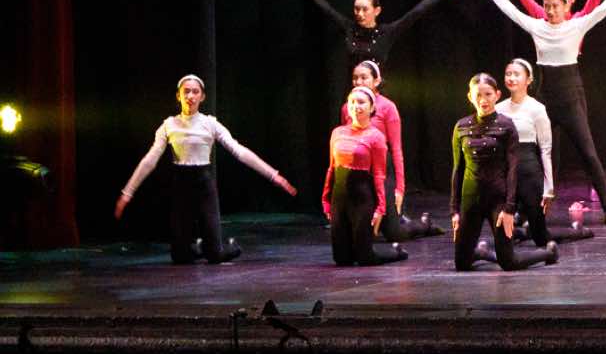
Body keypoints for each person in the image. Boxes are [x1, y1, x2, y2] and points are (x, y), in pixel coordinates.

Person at [462, 0, 606, 226]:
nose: (551, 10)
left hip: (571, 98)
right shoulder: (537, 26)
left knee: (588, 153)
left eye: (556, 6)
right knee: (537, 154)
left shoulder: (577, 25)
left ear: (566, 7)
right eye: (547, 6)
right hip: (545, 99)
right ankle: (531, 209)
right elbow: (507, 5)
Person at [116, 75, 297, 263]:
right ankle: (197, 246)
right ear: (178, 96)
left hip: (204, 185)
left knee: (215, 256)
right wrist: (127, 193)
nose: (190, 96)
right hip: (181, 185)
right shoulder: (169, 125)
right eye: (186, 91)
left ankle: (225, 246)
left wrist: (273, 175)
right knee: (180, 258)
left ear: (202, 97)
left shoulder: (210, 123)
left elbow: (239, 151)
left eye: (195, 92)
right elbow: (150, 160)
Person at [450, 73, 558, 272]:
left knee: (509, 262)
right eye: (478, 95)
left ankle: (548, 253)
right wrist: (455, 210)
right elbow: (458, 170)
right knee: (461, 264)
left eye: (488, 94)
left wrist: (509, 209)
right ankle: (481, 253)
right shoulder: (461, 127)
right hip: (470, 199)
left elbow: (512, 170)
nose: (483, 100)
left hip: (497, 200)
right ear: (470, 97)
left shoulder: (506, 126)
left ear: (497, 95)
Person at [280, 0, 464, 70]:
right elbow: (323, 5)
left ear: (377, 11)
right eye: (356, 9)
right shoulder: (349, 28)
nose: (359, 13)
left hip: (376, 98)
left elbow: (417, 11)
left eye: (364, 9)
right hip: (353, 94)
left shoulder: (387, 32)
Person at [341, 60, 440, 241]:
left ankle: (423, 224)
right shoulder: (347, 107)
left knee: (395, 234)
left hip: (382, 171)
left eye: (364, 77)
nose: (358, 82)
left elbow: (396, 150)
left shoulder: (387, 107)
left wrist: (399, 188)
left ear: (377, 81)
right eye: (355, 78)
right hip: (360, 173)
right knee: (363, 235)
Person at [323, 86, 407, 266]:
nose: (356, 106)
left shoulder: (376, 137)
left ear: (371, 108)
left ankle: (396, 252)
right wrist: (326, 199)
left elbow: (379, 175)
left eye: (361, 102)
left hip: (362, 199)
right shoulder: (337, 133)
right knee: (342, 260)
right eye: (352, 102)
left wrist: (380, 209)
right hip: (339, 199)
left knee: (365, 258)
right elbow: (331, 168)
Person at [498, 59, 555, 249]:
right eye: (508, 74)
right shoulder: (498, 108)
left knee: (541, 236)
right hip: (505, 170)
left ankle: (578, 232)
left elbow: (545, 149)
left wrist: (549, 187)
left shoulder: (537, 109)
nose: (511, 78)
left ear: (528, 80)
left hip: (528, 169)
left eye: (517, 74)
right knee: (503, 232)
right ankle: (521, 232)